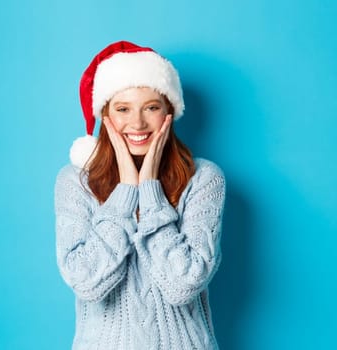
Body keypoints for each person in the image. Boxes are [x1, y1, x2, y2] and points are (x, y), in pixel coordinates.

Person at [54, 41, 226, 349]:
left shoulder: (204, 179)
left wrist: (149, 189)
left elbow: (182, 285)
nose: (137, 123)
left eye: (151, 107)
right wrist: (125, 194)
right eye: (123, 109)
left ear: (168, 112)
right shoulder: (76, 181)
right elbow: (86, 283)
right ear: (105, 115)